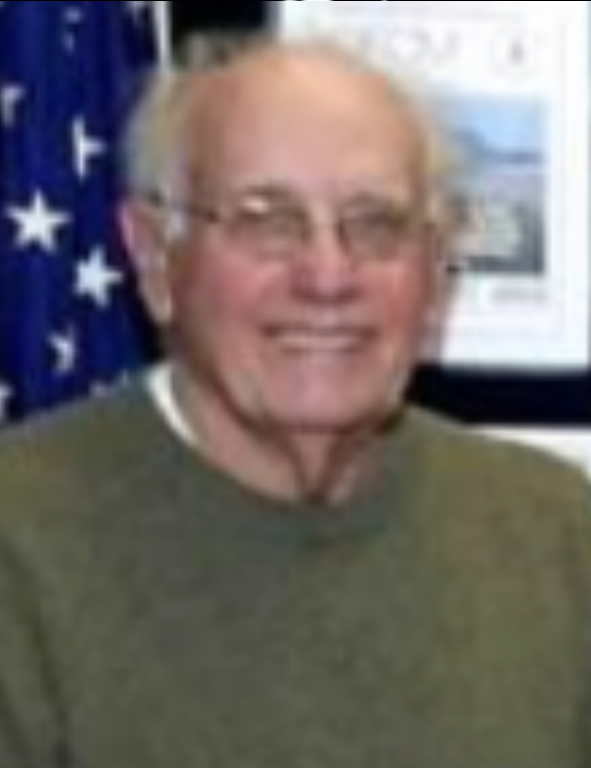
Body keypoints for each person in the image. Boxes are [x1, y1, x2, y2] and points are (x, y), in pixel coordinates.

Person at [0, 32, 589, 768]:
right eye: (265, 220)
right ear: (155, 256)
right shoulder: (20, 546)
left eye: (375, 224)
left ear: (435, 272)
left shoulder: (558, 536)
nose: (326, 276)